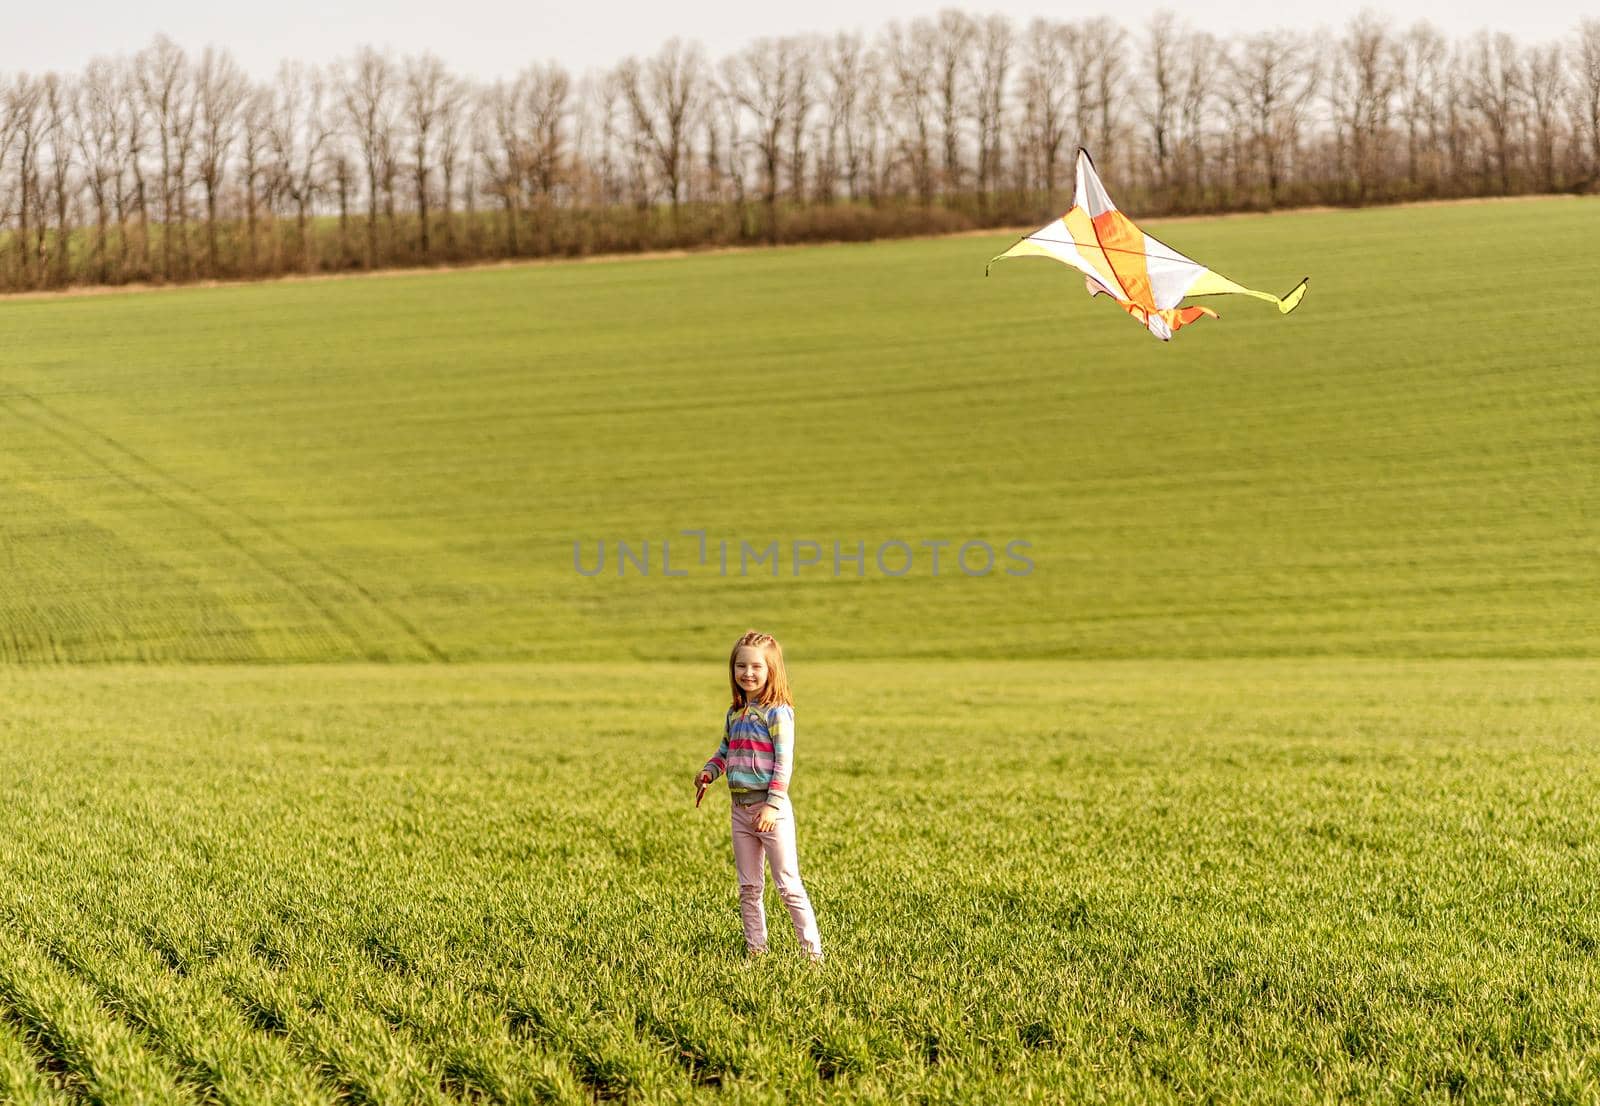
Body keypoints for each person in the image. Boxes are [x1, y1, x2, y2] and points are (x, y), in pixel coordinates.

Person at [695, 630, 824, 962]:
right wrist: (710, 770)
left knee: (787, 884)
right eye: (740, 666)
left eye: (756, 666)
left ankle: (812, 955)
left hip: (770, 811)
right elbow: (725, 751)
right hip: (740, 810)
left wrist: (773, 804)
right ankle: (756, 951)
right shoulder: (735, 713)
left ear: (771, 670)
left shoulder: (778, 712)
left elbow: (784, 762)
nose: (747, 673)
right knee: (749, 888)